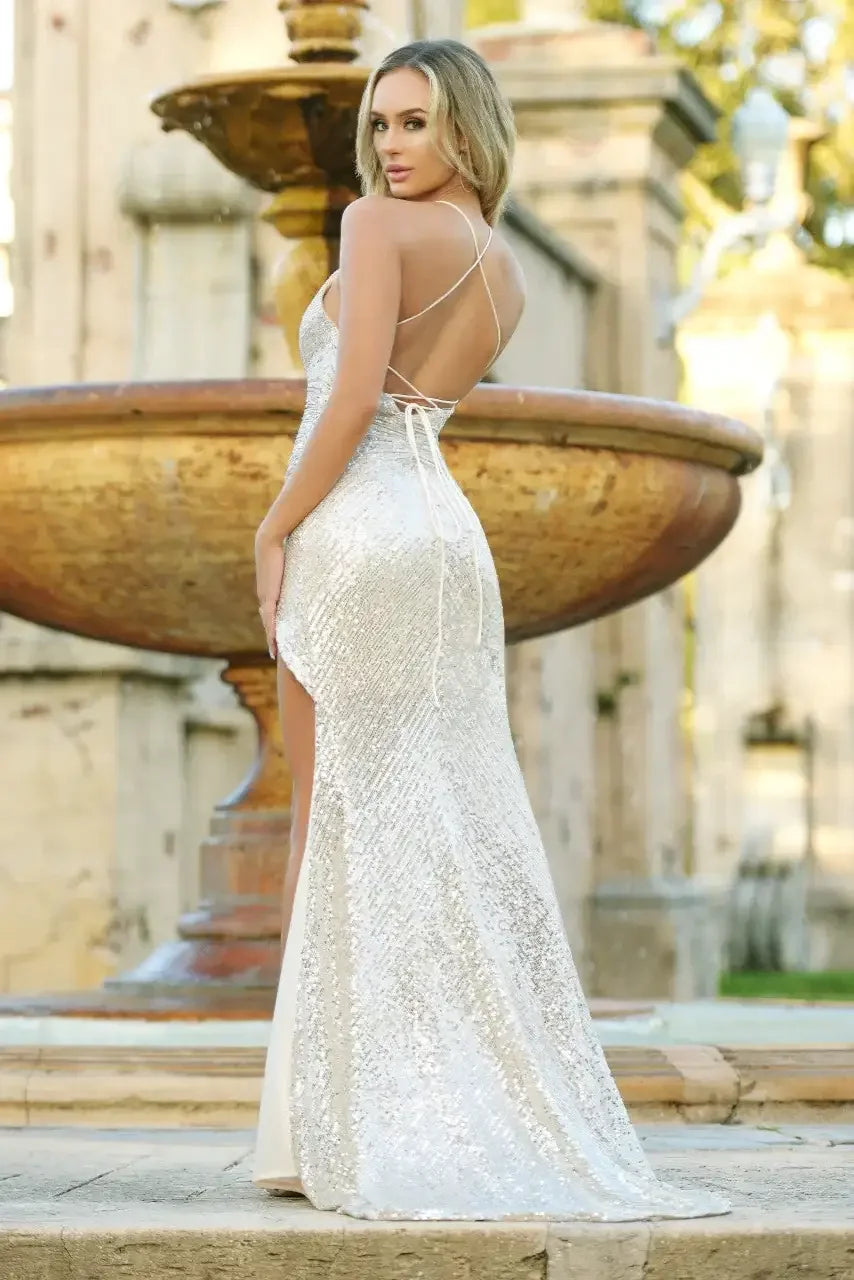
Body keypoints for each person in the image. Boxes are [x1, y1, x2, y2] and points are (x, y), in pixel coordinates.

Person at [251, 37, 729, 1223]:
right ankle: (456, 1099)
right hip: (446, 543)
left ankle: (342, 1124)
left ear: (464, 124)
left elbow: (355, 390)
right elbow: (416, 396)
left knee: (335, 822)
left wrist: (272, 527)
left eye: (414, 123)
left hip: (359, 528)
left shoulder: (370, 229)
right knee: (448, 814)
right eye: (381, 127)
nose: (391, 148)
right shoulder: (502, 266)